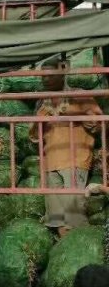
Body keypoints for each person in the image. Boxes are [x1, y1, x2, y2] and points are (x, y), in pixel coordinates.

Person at [33, 62, 102, 237]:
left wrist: (79, 116)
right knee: (56, 217)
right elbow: (34, 134)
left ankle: (81, 251)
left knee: (74, 214)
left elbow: (99, 122)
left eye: (51, 75)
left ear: (63, 71)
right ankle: (67, 251)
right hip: (51, 161)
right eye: (43, 76)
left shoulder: (79, 95)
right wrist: (38, 122)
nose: (46, 79)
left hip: (75, 158)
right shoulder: (41, 101)